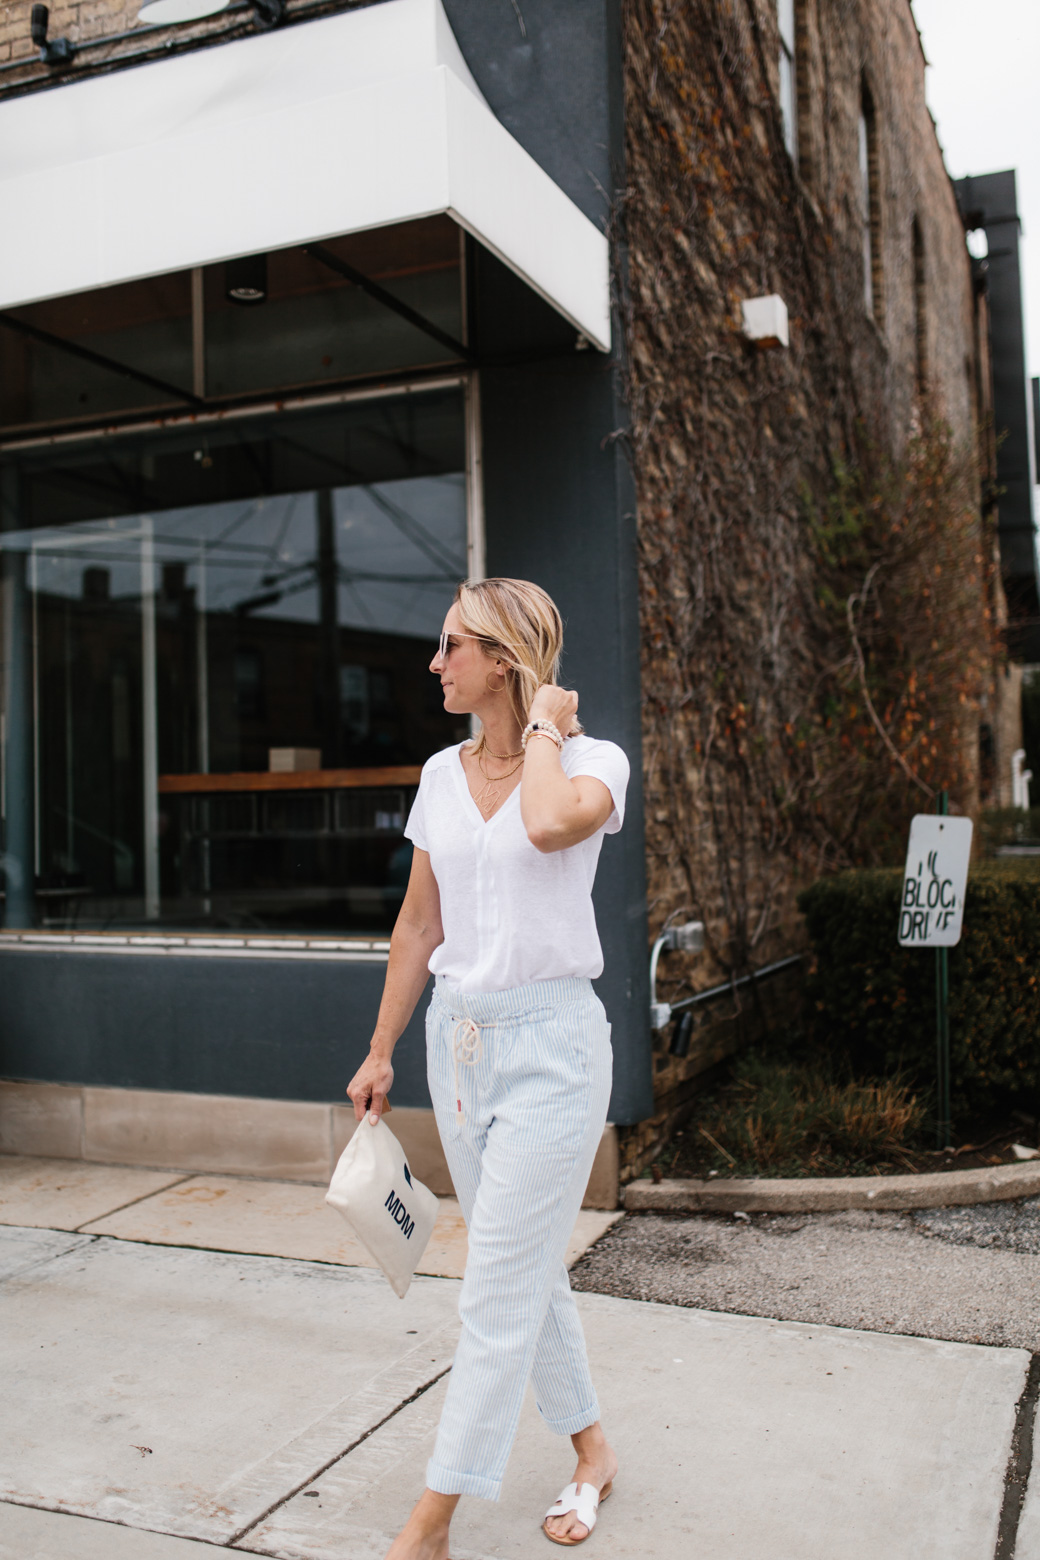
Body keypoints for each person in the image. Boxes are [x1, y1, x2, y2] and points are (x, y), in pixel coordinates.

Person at [347, 577, 629, 1558]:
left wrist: (546, 729)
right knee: (519, 1266)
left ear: (502, 661)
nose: (434, 662)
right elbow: (420, 923)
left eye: (451, 645)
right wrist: (382, 1047)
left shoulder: (593, 763)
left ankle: (428, 1527)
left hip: (553, 1053)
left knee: (492, 1291)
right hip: (457, 1049)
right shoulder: (437, 775)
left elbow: (550, 825)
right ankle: (591, 1451)